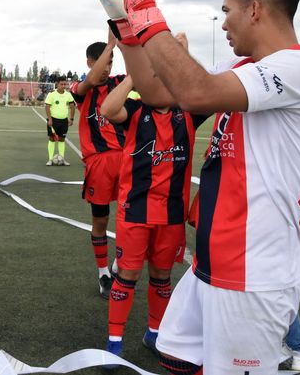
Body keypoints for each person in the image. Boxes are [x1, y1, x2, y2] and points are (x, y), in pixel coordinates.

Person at [91, 0, 300, 373]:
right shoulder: (240, 67)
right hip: (214, 258)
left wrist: (145, 9)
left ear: (254, 10)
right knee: (177, 355)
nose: (223, 24)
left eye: (227, 11)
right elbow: (157, 92)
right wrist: (126, 27)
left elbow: (196, 92)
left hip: (255, 269)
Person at [99, 34, 208, 360]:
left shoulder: (187, 113)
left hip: (171, 214)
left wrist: (179, 57)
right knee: (127, 275)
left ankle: (155, 334)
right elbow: (108, 109)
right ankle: (114, 341)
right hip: (136, 211)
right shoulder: (136, 110)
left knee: (161, 277)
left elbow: (204, 87)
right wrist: (137, 74)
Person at [69, 33, 126, 299]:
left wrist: (122, 46)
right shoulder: (81, 88)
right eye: (102, 62)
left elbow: (141, 74)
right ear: (90, 62)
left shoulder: (118, 83)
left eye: (111, 62)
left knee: (129, 218)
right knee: (100, 219)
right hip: (99, 162)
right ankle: (103, 272)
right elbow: (90, 81)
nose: (107, 68)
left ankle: (118, 264)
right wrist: (110, 44)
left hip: (126, 160)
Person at [44, 75, 75, 166]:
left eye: (65, 84)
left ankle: (62, 159)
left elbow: (72, 106)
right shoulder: (51, 94)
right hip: (53, 121)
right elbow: (47, 107)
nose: (63, 86)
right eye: (62, 84)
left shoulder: (68, 95)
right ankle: (50, 159)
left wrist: (71, 118)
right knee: (52, 139)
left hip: (64, 121)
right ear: (57, 84)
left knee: (62, 139)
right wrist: (50, 119)